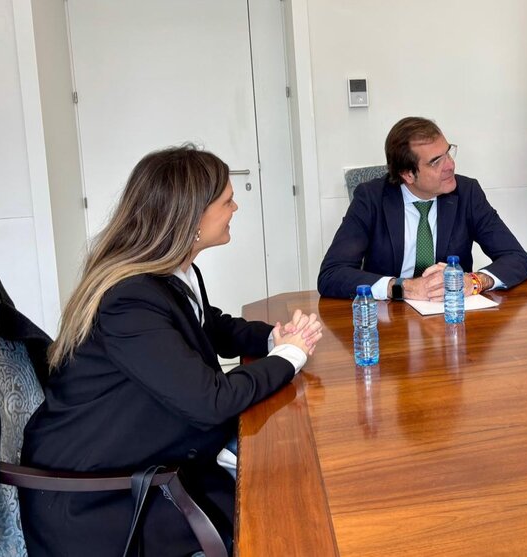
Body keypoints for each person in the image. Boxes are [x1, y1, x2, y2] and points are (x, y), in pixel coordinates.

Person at [20, 145, 323, 556]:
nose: (236, 207)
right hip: (101, 501)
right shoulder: (128, 300)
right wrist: (288, 358)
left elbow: (207, 323)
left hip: (147, 460)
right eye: (227, 200)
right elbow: (210, 402)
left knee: (286, 483)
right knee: (286, 516)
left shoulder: (171, 271)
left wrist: (272, 337)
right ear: (192, 218)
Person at [317, 116, 527, 301]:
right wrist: (403, 288)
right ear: (407, 174)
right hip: (391, 325)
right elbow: (331, 274)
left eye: (448, 153)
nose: (450, 165)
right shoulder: (371, 199)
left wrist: (474, 281)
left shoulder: (467, 194)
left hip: (452, 319)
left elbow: (517, 259)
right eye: (436, 161)